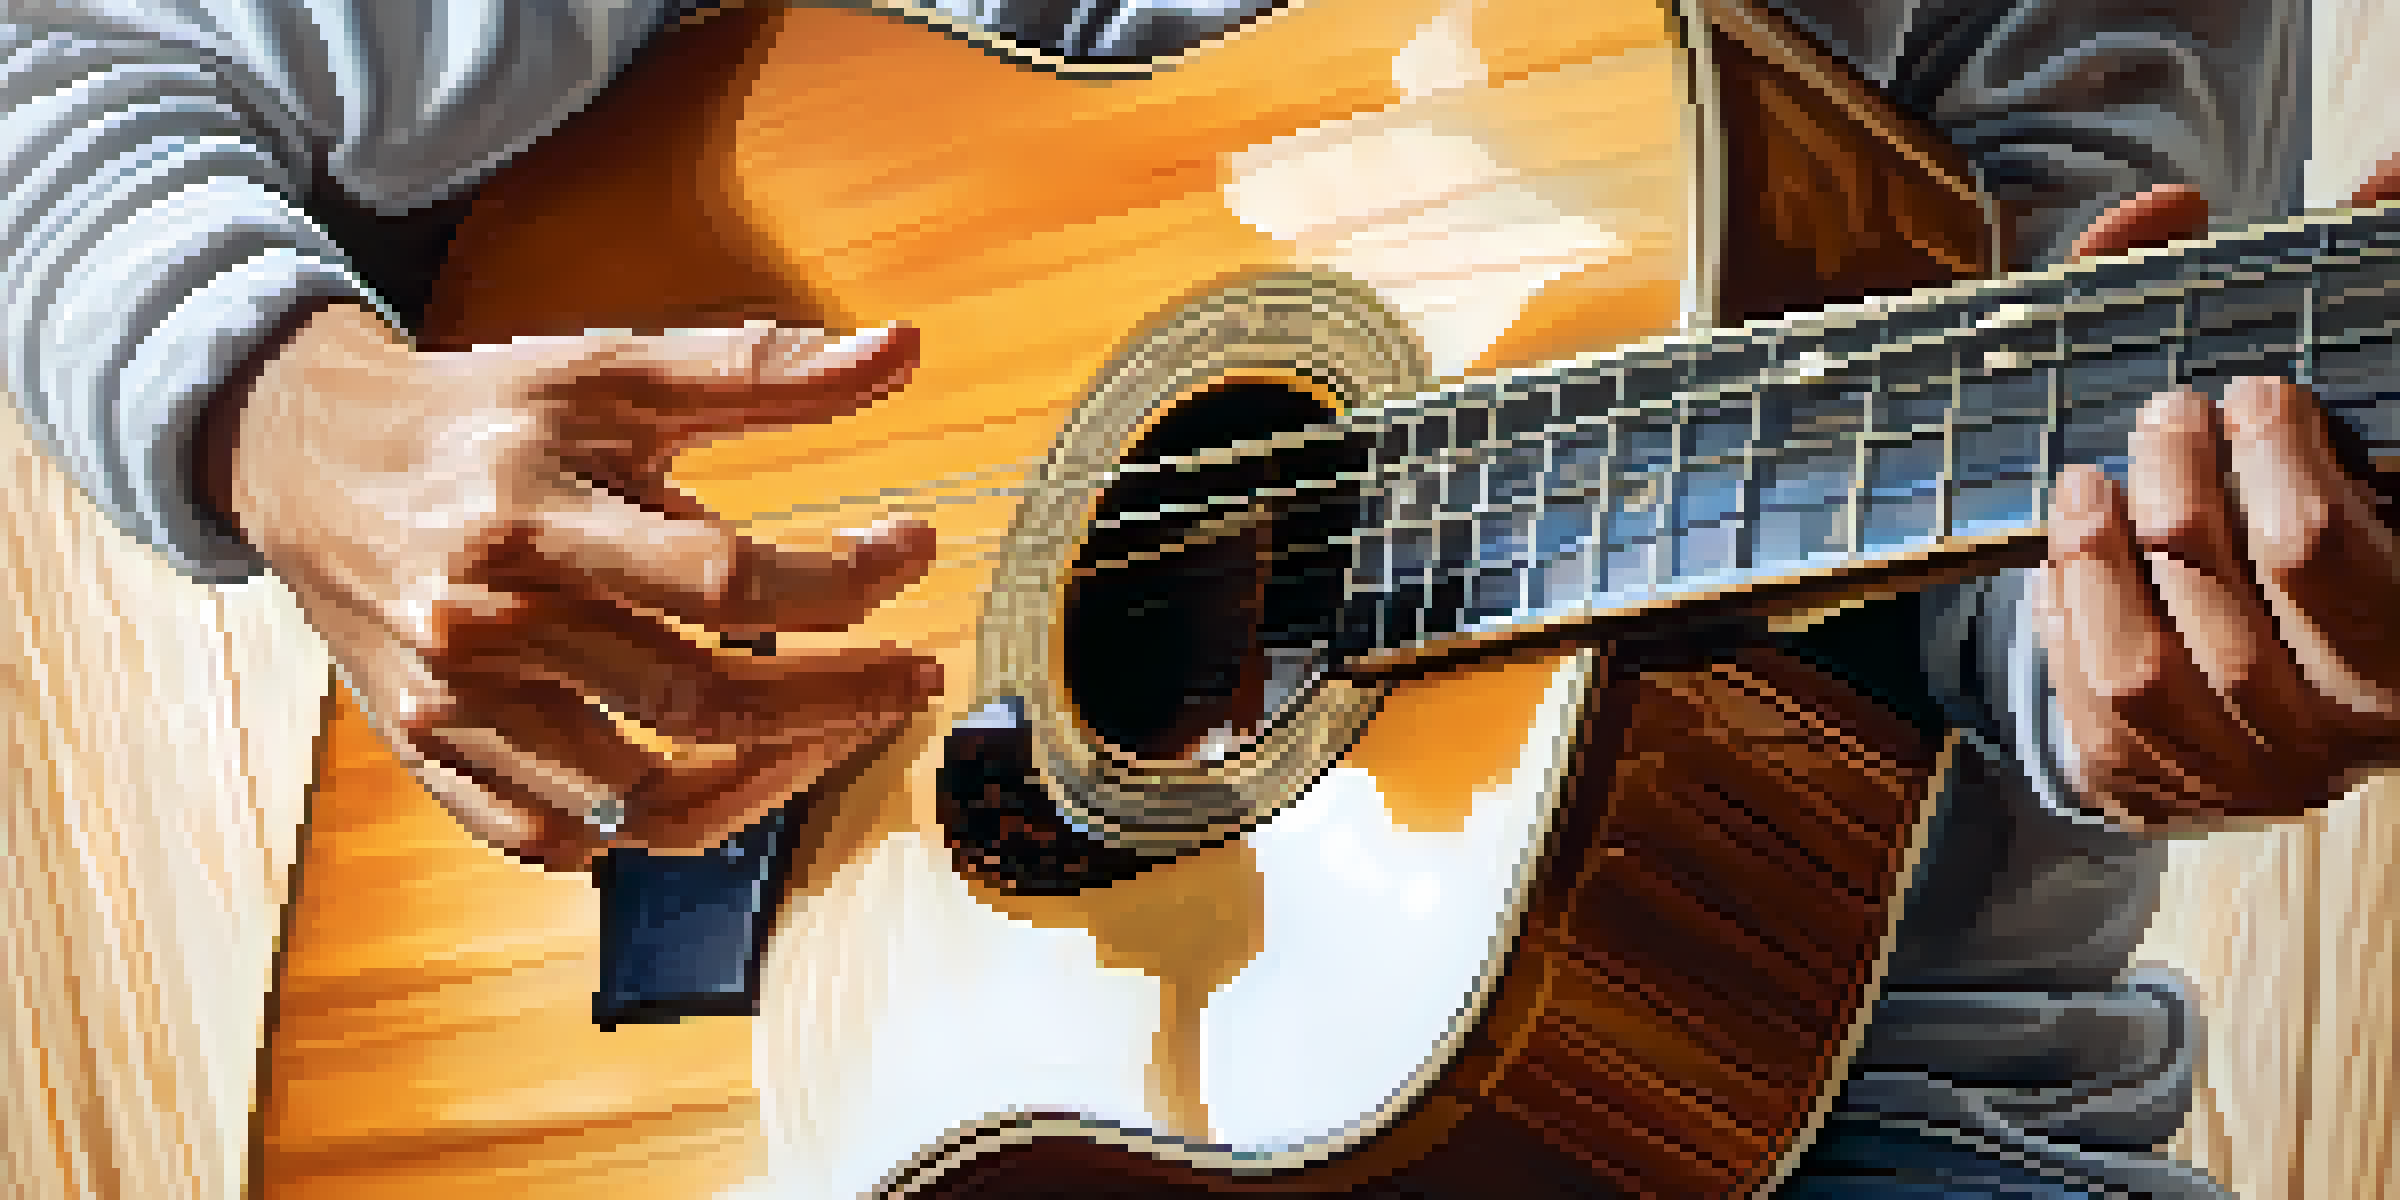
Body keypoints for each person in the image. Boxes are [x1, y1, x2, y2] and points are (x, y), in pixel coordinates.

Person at [2, 1, 2392, 1196]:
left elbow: (2040, 481)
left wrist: (2164, 657)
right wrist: (301, 432)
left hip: (1769, 1108)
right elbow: (76, 69)